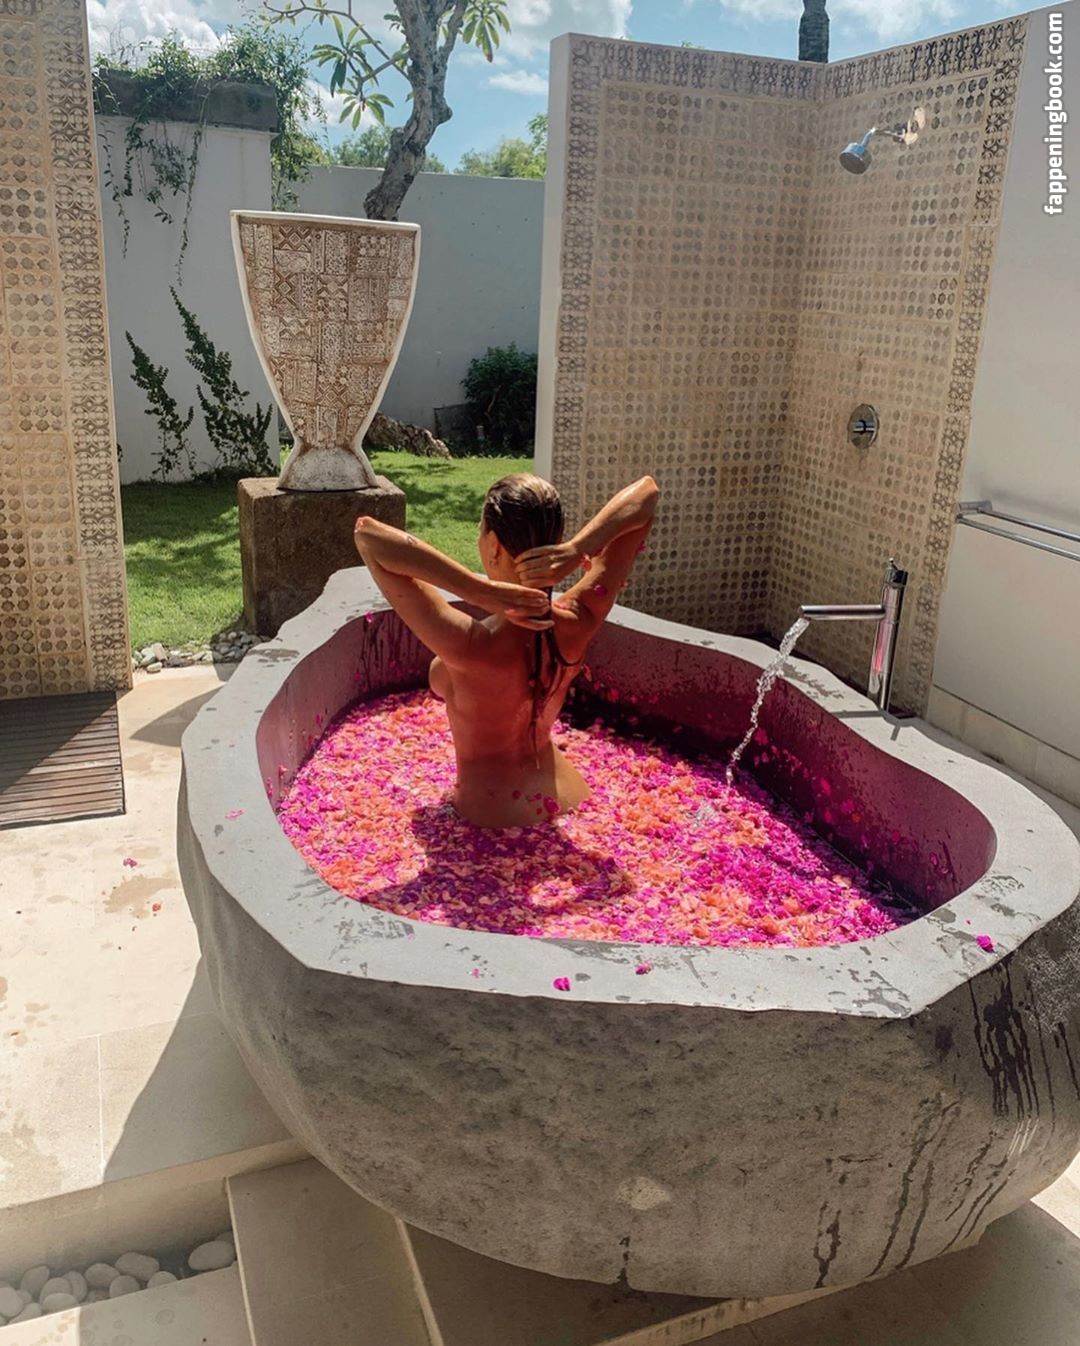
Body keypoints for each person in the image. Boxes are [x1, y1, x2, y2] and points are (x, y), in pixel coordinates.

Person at [353, 472, 659, 828]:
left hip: (491, 813)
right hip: (567, 793)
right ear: (556, 540)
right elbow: (647, 495)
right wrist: (579, 549)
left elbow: (368, 537)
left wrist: (477, 590)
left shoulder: (469, 645)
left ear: (494, 545)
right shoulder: (580, 619)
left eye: (480, 529)